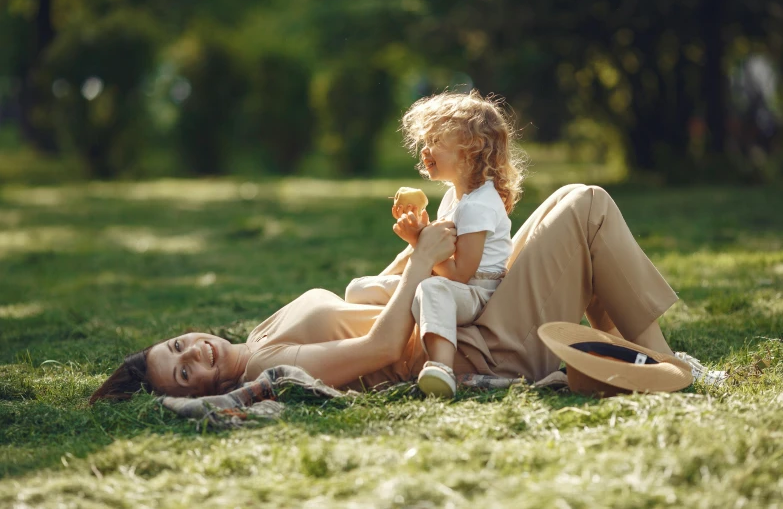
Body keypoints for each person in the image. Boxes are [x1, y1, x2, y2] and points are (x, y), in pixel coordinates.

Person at [89, 184, 725, 405]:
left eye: (179, 347)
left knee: (568, 205)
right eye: (184, 374)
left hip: (465, 312)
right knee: (585, 206)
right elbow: (385, 341)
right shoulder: (269, 367)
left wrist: (413, 247)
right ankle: (667, 365)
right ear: (197, 390)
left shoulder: (259, 332)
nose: (195, 355)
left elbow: (374, 297)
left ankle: (640, 363)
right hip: (479, 348)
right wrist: (424, 262)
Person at [345, 90, 524, 398]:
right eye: (425, 142)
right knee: (358, 289)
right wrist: (421, 236)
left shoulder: (478, 205)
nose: (425, 150)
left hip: (478, 294)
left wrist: (420, 238)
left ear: (472, 149)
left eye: (437, 142)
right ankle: (380, 339)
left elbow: (459, 275)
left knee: (430, 289)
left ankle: (441, 368)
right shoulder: (456, 196)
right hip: (451, 285)